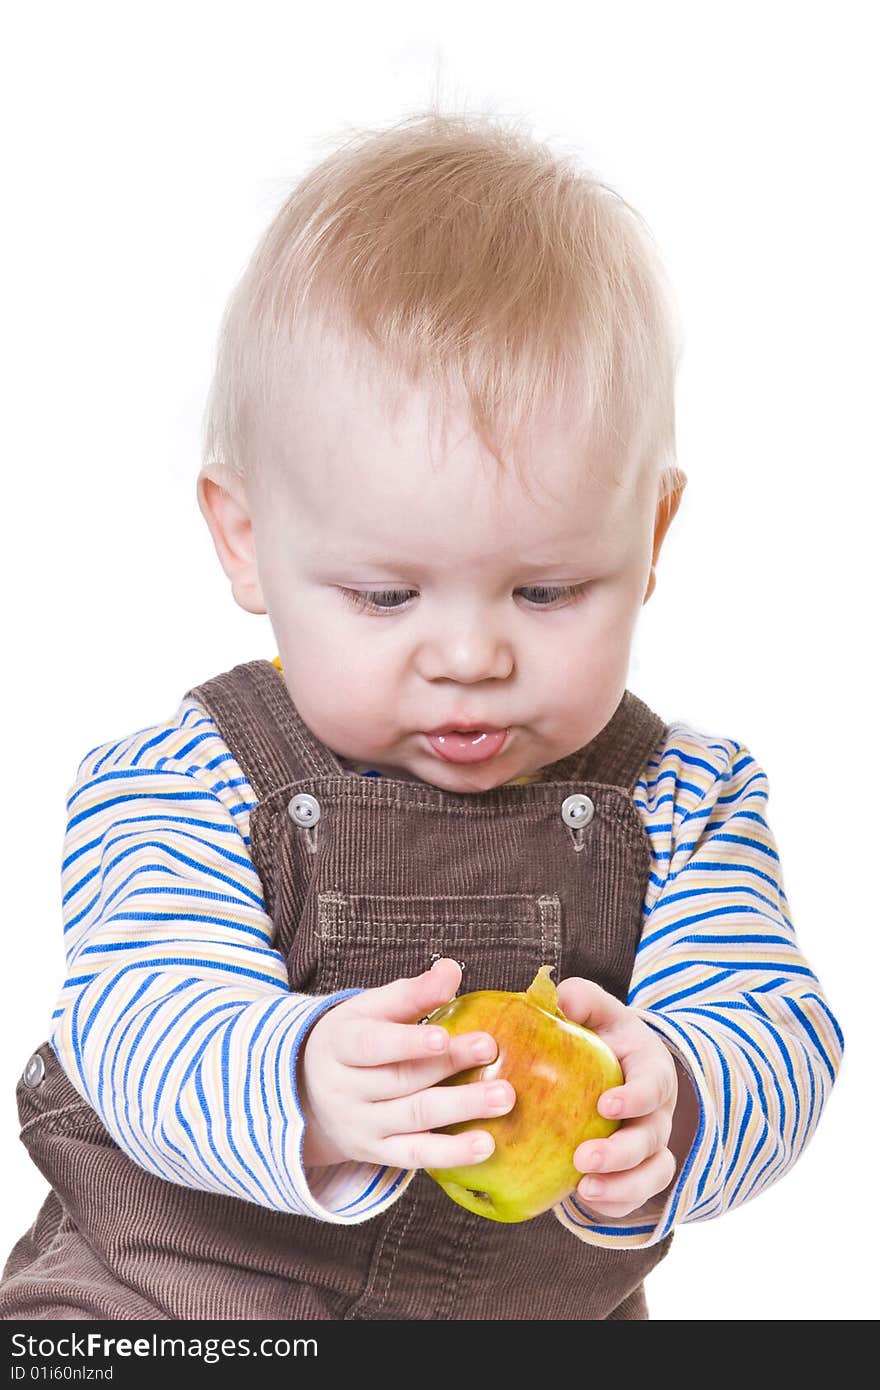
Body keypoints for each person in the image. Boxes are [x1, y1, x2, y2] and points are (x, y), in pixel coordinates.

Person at [0, 109, 843, 1322]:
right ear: (246, 539)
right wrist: (300, 1081)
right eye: (384, 595)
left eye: (546, 590)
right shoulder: (178, 779)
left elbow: (773, 1020)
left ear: (650, 536)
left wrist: (681, 1093)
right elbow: (141, 1016)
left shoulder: (686, 801)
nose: (467, 655)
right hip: (173, 1295)